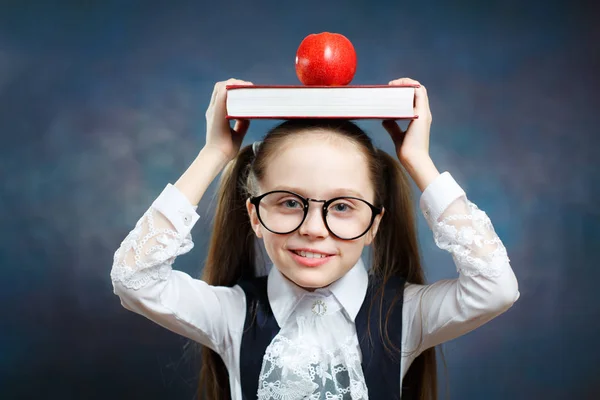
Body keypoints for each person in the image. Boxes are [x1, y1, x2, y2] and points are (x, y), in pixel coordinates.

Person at [110, 78, 519, 400]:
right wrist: (214, 154)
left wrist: (419, 161)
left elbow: (495, 288)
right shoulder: (232, 314)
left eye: (342, 207)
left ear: (374, 225)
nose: (314, 228)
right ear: (254, 214)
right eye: (289, 202)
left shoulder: (407, 314)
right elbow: (134, 278)